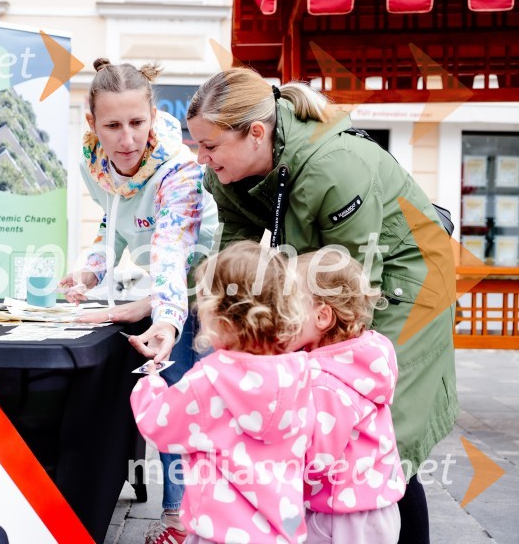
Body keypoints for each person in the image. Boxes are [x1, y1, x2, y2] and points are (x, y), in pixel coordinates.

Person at [186, 68, 456, 544]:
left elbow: (352, 285)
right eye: (197, 146)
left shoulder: (335, 165)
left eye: (210, 147)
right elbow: (234, 255)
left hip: (399, 284)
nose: (203, 159)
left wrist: (289, 339)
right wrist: (221, 318)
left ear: (254, 133)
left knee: (379, 432)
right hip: (324, 279)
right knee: (323, 423)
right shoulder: (227, 170)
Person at [57, 58, 218, 544]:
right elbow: (117, 224)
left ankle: (181, 521)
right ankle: (187, 515)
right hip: (165, 283)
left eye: (136, 122)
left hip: (205, 278)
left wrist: (163, 316)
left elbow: (171, 250)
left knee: (181, 396)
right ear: (92, 125)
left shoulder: (180, 170)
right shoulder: (93, 162)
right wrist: (92, 269)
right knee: (172, 395)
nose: (127, 138)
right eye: (112, 125)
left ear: (152, 114)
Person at [130, 240, 312, 544]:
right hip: (284, 527)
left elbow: (158, 426)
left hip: (219, 530)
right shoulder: (301, 371)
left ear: (221, 320)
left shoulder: (209, 379)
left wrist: (150, 382)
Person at [295, 248, 405, 544]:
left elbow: (315, 462)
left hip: (340, 512)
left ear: (321, 316)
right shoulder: (365, 357)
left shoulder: (325, 382)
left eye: (287, 309)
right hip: (376, 506)